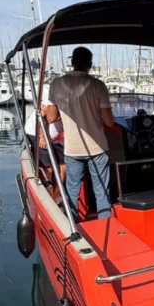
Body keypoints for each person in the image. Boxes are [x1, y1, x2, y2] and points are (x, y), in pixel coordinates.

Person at [46, 47, 114, 220]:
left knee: (73, 192)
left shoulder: (56, 84)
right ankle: (104, 226)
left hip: (72, 150)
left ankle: (74, 229)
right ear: (90, 65)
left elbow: (51, 117)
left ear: (72, 63)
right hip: (98, 148)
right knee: (101, 193)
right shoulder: (98, 85)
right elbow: (110, 122)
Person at [24, 96, 66, 202]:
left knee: (64, 167)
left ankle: (56, 194)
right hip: (37, 132)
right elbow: (41, 114)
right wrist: (42, 136)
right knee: (48, 168)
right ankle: (50, 196)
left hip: (57, 137)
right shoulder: (52, 100)